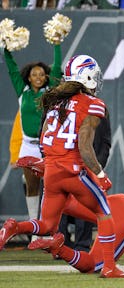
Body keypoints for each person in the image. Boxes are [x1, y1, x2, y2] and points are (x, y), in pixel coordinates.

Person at [0, 55, 124, 278]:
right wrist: (100, 173)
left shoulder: (55, 101)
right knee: (105, 214)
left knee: (48, 224)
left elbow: (45, 140)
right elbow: (85, 146)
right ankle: (109, 267)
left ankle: (15, 227)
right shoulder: (93, 104)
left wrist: (44, 163)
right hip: (72, 171)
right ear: (86, 76)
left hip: (51, 172)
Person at [3, 41, 62, 234]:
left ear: (46, 76)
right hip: (28, 147)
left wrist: (56, 45)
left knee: (51, 188)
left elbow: (58, 67)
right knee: (32, 187)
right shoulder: (23, 93)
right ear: (28, 77)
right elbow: (11, 70)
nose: (38, 77)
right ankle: (34, 229)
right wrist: (6, 47)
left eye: (41, 74)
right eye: (34, 74)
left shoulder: (51, 91)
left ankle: (48, 228)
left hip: (47, 148)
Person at [58, 107, 111, 252]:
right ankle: (60, 244)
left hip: (87, 165)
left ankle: (82, 245)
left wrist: (96, 168)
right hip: (63, 163)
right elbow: (44, 135)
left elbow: (104, 141)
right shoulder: (58, 105)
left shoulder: (98, 107)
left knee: (88, 205)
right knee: (59, 205)